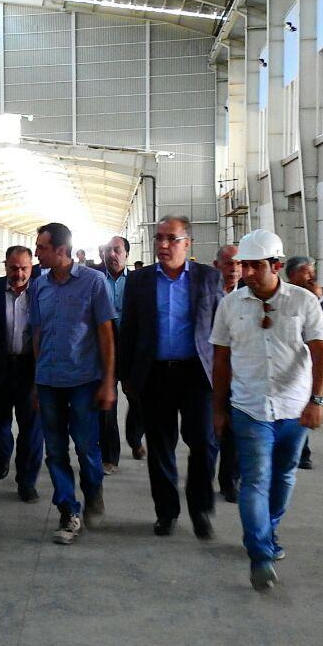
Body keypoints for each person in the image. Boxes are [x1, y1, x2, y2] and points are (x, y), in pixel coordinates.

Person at [211, 230, 323, 591]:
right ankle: (260, 553)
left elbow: (320, 352)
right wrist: (218, 409)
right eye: (243, 265)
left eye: (255, 266)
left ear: (276, 266)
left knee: (283, 476)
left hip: (294, 409)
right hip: (250, 408)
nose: (247, 272)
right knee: (255, 479)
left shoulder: (303, 302)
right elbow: (221, 360)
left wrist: (317, 401)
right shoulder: (230, 305)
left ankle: (268, 530)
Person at [118, 214, 222, 540]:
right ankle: (166, 512)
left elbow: (221, 328)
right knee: (160, 446)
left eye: (171, 239)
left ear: (187, 243)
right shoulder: (140, 280)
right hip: (155, 374)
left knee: (204, 443)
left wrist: (225, 375)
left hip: (197, 374)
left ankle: (200, 508)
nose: (163, 245)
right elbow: (129, 330)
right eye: (159, 238)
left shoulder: (208, 278)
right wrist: (125, 375)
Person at [30, 222, 116, 545]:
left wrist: (108, 381)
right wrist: (37, 380)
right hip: (49, 380)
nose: (37, 253)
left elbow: (106, 334)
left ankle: (93, 491)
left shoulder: (93, 282)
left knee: (85, 447)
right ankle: (68, 510)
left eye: (42, 248)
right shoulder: (39, 286)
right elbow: (37, 334)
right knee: (54, 451)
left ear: (61, 250)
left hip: (83, 380)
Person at [0, 246, 44, 502]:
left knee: (32, 428)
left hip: (30, 368)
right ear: (5, 265)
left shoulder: (42, 291)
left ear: (32, 266)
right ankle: (3, 452)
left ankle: (27, 482)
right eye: (13, 268)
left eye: (24, 268)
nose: (19, 274)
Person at [285, 255, 323, 470]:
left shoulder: (318, 293)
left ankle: (302, 452)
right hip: (290, 358)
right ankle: (297, 450)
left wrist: (320, 298)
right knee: (293, 403)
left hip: (313, 359)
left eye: (312, 271)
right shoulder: (283, 294)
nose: (312, 275)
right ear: (293, 274)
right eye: (306, 271)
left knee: (307, 401)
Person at [96, 235, 143, 474]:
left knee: (137, 399)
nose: (111, 254)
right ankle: (109, 456)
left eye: (116, 250)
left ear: (126, 254)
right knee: (107, 403)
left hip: (132, 348)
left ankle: (135, 439)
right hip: (105, 348)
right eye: (107, 250)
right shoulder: (95, 280)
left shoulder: (137, 282)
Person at [214, 244, 243, 502]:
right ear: (217, 266)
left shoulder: (248, 295)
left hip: (237, 372)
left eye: (238, 264)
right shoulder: (203, 292)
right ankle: (203, 477)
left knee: (232, 430)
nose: (234, 269)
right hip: (206, 370)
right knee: (208, 431)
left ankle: (229, 480)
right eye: (229, 263)